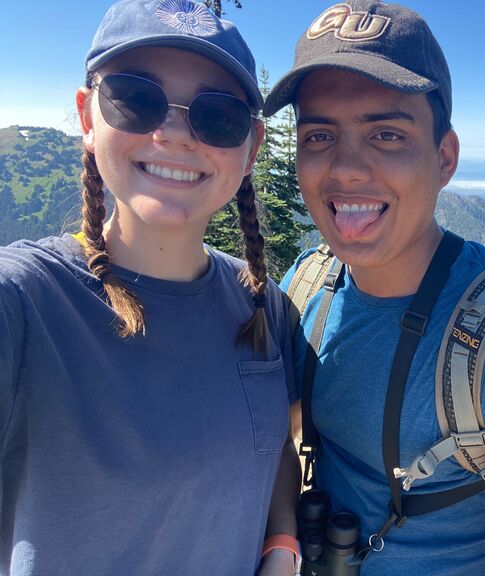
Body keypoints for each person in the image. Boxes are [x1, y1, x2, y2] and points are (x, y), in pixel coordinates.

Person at [266, 2, 485, 575]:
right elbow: (274, 439)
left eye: (386, 134)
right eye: (320, 135)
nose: (347, 169)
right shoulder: (307, 285)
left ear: (444, 157)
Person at [0, 1, 301, 574]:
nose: (173, 134)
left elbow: (277, 448)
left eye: (217, 115)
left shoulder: (264, 306)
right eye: (137, 99)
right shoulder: (23, 303)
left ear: (251, 147)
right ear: (88, 118)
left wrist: (281, 546)